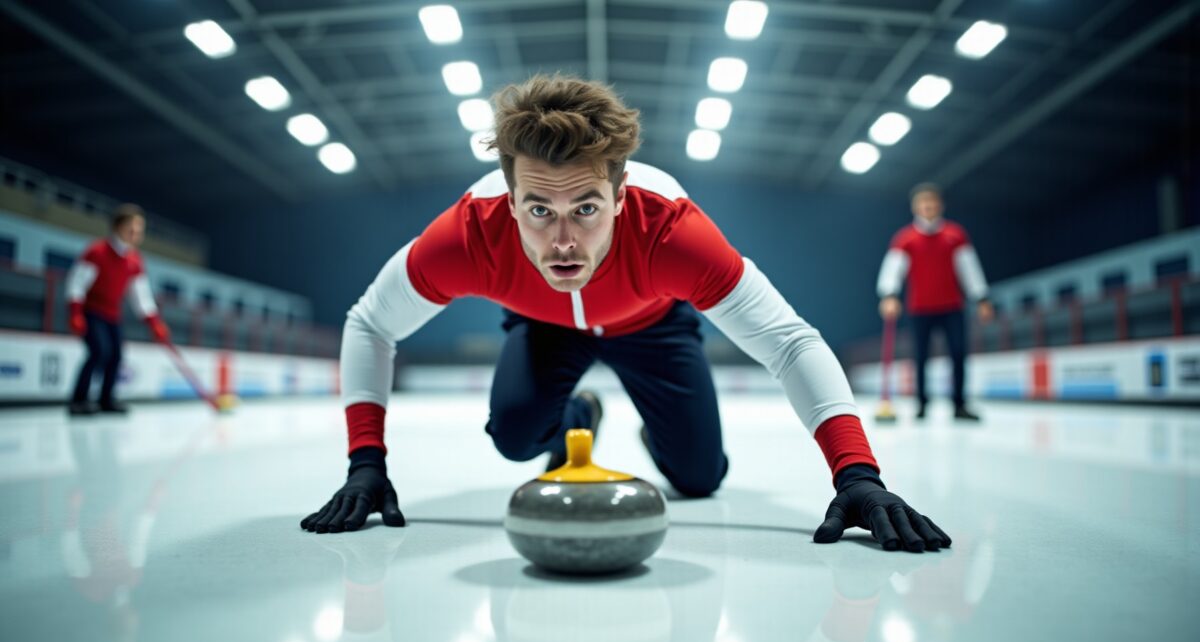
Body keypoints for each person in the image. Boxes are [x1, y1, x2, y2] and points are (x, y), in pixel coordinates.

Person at [301, 75, 951, 553]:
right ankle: (577, 417)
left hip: (653, 326)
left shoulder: (673, 232)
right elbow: (370, 324)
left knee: (699, 478)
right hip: (546, 329)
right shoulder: (469, 234)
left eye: (585, 208)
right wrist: (366, 463)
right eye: (539, 210)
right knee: (515, 439)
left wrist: (856, 474)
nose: (563, 242)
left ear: (620, 196)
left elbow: (789, 342)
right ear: (509, 200)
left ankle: (650, 430)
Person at [876, 184, 993, 421]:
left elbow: (969, 268)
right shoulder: (905, 239)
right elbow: (892, 271)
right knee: (921, 356)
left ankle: (959, 404)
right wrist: (889, 295)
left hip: (952, 306)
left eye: (932, 202)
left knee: (958, 352)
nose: (928, 206)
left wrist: (981, 298)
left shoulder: (955, 235)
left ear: (940, 205)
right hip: (920, 308)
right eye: (923, 202)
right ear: (915, 207)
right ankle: (921, 404)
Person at [65, 204, 170, 415]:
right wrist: (75, 312)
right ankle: (79, 400)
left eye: (140, 230)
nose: (137, 233)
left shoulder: (134, 260)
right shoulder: (97, 252)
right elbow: (76, 283)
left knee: (116, 356)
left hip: (113, 315)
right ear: (118, 226)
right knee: (99, 352)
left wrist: (154, 322)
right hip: (92, 312)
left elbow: (141, 296)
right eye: (133, 228)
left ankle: (106, 400)